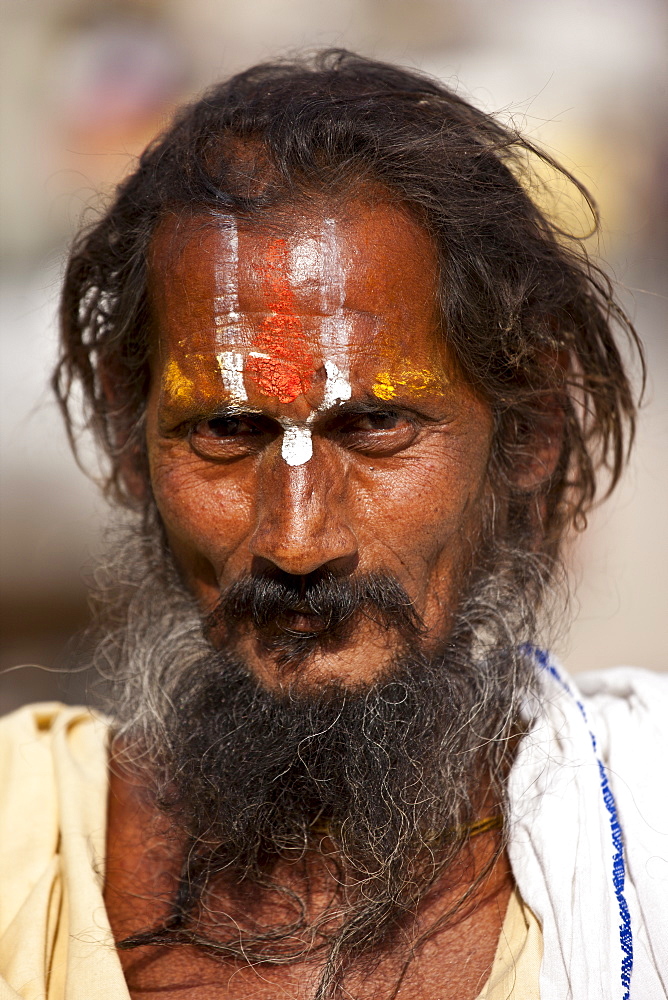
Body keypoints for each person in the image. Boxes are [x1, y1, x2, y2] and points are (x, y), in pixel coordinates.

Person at [0, 50, 665, 1000]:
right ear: (126, 441)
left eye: (375, 427)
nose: (298, 542)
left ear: (530, 434)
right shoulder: (22, 852)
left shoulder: (645, 827)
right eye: (226, 431)